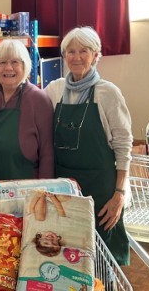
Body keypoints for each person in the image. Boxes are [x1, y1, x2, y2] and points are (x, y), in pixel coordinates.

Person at [45, 26, 133, 265]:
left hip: (102, 191)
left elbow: (124, 146)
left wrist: (119, 194)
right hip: (65, 190)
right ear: (64, 56)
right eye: (70, 51)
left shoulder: (108, 93)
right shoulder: (54, 90)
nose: (76, 57)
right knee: (68, 253)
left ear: (96, 55)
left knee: (103, 258)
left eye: (84, 51)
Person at [0, 38, 54, 181]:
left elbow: (47, 153)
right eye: (2, 62)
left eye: (15, 62)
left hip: (24, 192)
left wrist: (45, 193)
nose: (8, 68)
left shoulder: (39, 100)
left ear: (24, 65)